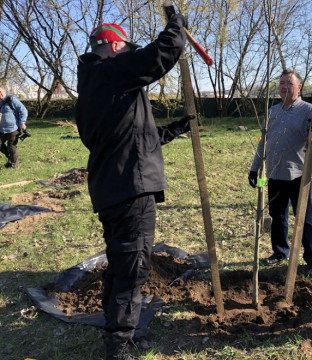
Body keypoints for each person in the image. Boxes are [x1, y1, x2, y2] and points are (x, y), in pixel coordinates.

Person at [75, 16, 194, 360]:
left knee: (119, 263)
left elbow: (131, 138)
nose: (129, 54)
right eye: (125, 49)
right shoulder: (110, 72)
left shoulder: (94, 86)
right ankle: (118, 347)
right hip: (129, 190)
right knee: (133, 267)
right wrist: (176, 24)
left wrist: (173, 130)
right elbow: (163, 52)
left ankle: (116, 334)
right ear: (114, 47)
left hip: (112, 188)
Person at [249, 69, 312, 278]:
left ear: (299, 87)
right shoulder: (272, 111)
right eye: (282, 83)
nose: (285, 87)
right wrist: (255, 167)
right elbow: (263, 142)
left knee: (305, 219)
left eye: (289, 83)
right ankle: (279, 251)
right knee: (278, 217)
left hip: (299, 176)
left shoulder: (309, 110)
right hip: (275, 173)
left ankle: (311, 260)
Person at [0, 85, 28, 168]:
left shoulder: (11, 99)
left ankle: (14, 165)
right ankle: (10, 157)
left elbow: (23, 110)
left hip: (13, 128)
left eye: (0, 91)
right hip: (1, 128)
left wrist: (22, 123)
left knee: (11, 147)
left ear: (4, 91)